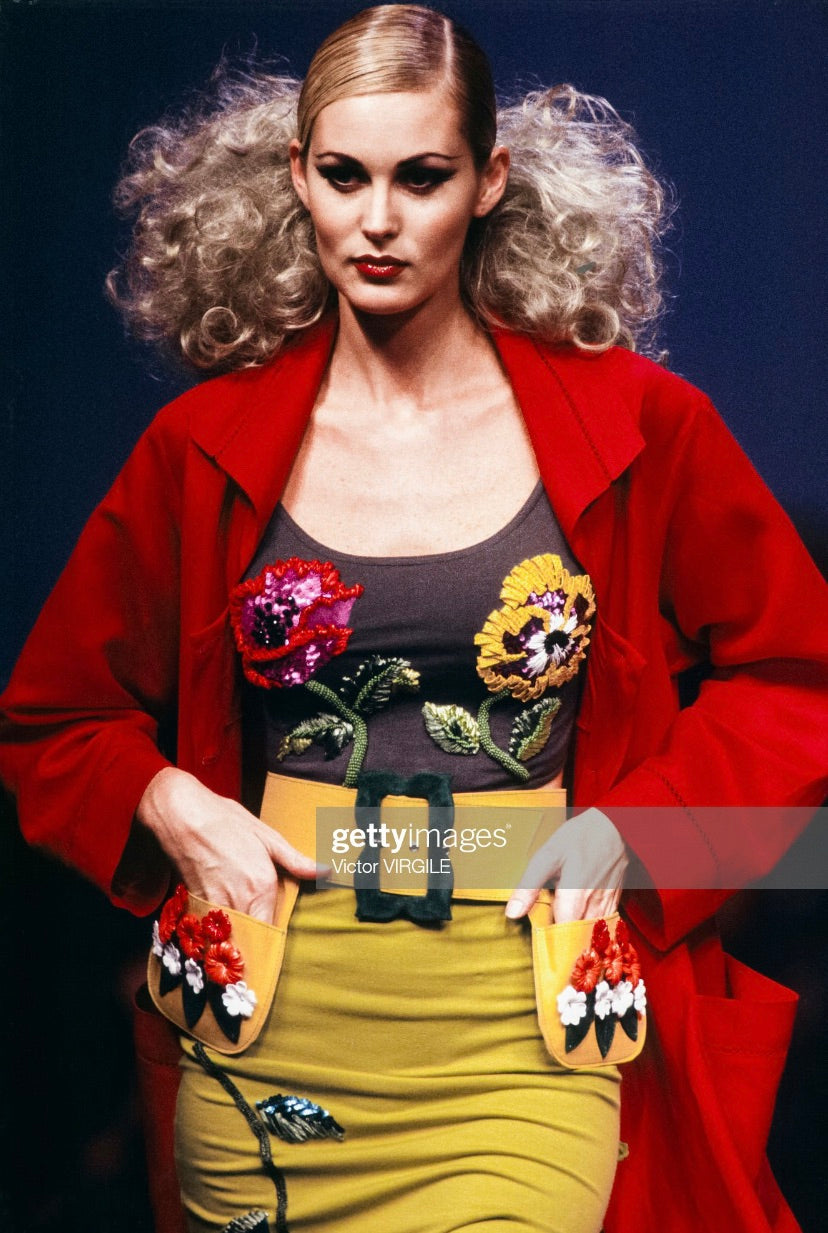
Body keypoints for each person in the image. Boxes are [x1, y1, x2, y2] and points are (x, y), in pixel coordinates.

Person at [1, 5, 826, 1232]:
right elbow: (54, 719)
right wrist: (170, 805)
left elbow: (795, 677)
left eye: (421, 177)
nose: (377, 219)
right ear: (297, 177)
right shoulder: (202, 445)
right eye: (345, 176)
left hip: (524, 1027)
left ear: (489, 181)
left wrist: (640, 833)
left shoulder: (639, 425)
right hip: (270, 1018)